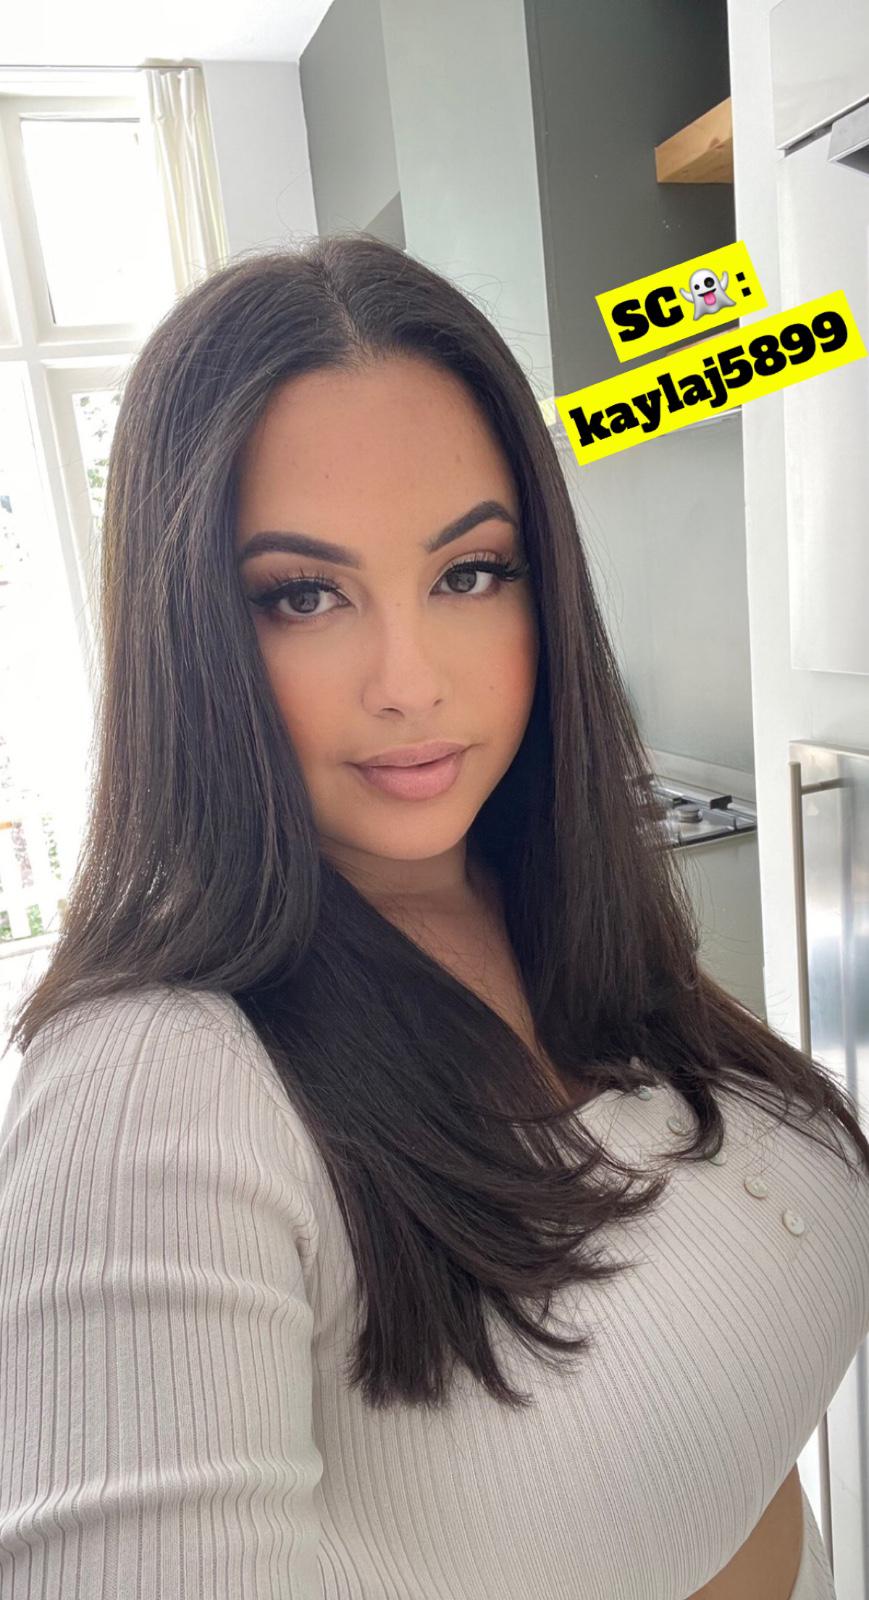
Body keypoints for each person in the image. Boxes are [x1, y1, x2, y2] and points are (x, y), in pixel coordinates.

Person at [1, 233, 867, 1599]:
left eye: (469, 572)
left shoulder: (549, 901)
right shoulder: (150, 1081)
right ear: (192, 637)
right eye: (303, 596)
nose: (409, 682)